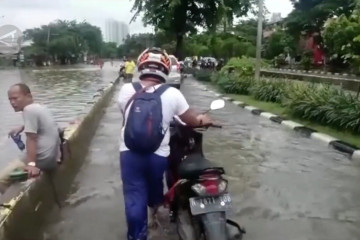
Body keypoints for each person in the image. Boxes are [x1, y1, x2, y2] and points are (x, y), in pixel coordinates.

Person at [117, 47, 212, 240]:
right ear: (165, 69)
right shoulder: (172, 94)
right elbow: (191, 120)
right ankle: (158, 210)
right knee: (155, 186)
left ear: (141, 66)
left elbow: (125, 119)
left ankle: (137, 235)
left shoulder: (126, 90)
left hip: (129, 153)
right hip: (158, 155)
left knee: (134, 196)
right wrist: (205, 119)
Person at [2, 84, 60, 193]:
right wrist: (22, 126)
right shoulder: (39, 108)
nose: (12, 103)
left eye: (15, 98)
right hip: (51, 159)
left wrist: (31, 165)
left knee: (1, 179)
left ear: (28, 96)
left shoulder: (28, 110)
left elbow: (31, 139)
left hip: (41, 160)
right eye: (10, 99)